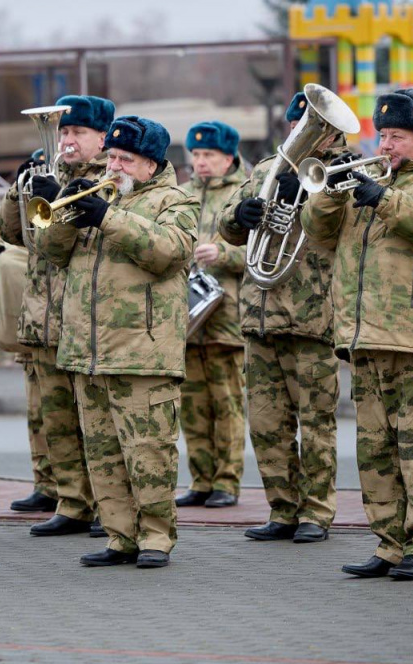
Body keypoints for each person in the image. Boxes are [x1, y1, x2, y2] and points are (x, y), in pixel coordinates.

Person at [300, 88, 413, 580]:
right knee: (375, 451)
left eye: (397, 136)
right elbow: (317, 233)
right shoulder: (366, 178)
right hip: (364, 337)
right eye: (382, 135)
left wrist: (387, 199)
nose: (386, 145)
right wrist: (333, 193)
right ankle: (388, 545)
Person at [34, 115, 199, 568]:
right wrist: (60, 213)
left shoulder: (176, 200)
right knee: (103, 455)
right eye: (111, 157)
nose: (114, 167)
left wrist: (108, 218)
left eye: (126, 160)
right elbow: (51, 254)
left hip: (142, 352)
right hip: (87, 351)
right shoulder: (97, 196)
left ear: (151, 164)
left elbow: (167, 252)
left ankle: (156, 538)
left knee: (148, 454)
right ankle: (119, 536)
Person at [217, 93, 342, 543]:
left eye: (309, 126)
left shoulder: (342, 170)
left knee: (316, 423)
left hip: (313, 315)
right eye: (296, 125)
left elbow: (337, 229)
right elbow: (226, 226)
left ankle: (317, 512)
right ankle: (282, 509)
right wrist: (241, 214)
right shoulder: (265, 168)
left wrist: (308, 198)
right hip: (261, 313)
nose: (299, 133)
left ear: (331, 132)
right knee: (267, 423)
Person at [0, 95, 116, 537]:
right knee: (58, 420)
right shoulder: (45, 174)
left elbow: (75, 244)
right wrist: (19, 190)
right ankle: (72, 503)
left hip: (87, 318)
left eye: (76, 133)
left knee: (98, 422)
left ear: (101, 137)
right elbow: (13, 233)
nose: (66, 141)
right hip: (43, 317)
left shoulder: (111, 177)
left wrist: (60, 202)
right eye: (62, 132)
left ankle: (111, 507)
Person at [0, 153, 58, 514]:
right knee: (37, 412)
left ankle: (78, 492)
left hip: (61, 321)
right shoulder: (26, 197)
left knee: (67, 416)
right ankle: (45, 485)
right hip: (30, 320)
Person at [176, 121, 247, 508]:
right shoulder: (181, 195)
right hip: (187, 320)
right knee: (192, 405)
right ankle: (200, 480)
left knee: (227, 404)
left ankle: (227, 482)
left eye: (210, 156)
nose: (201, 163)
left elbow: (266, 255)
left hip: (226, 319)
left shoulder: (243, 195)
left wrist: (225, 254)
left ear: (228, 158)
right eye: (197, 155)